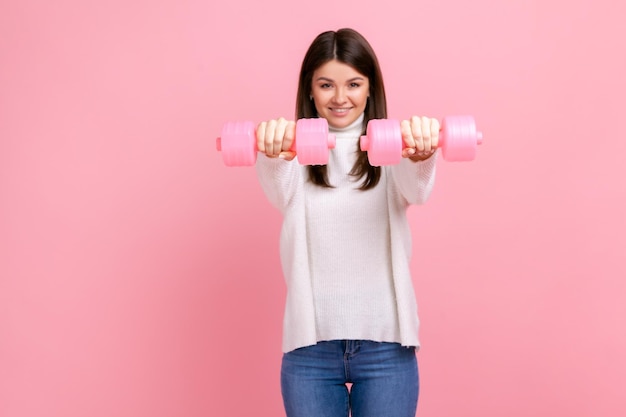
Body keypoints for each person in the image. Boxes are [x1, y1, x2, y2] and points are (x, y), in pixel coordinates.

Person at [254, 28, 439, 417]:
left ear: (371, 89)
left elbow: (416, 189)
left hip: (386, 348)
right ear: (310, 90)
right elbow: (277, 188)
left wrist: (422, 156)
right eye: (326, 85)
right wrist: (273, 153)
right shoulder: (292, 155)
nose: (340, 98)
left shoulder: (393, 149)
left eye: (353, 84)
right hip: (310, 351)